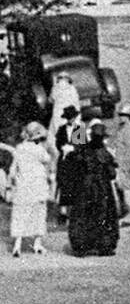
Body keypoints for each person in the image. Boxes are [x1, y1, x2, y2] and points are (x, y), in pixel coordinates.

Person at [66, 121, 120, 257]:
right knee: (104, 215)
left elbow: (75, 166)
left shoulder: (84, 151)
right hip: (102, 188)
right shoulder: (105, 153)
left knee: (82, 215)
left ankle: (82, 245)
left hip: (85, 187)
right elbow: (112, 174)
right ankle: (104, 246)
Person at [8, 122, 53, 257]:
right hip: (37, 186)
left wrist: (11, 184)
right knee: (39, 214)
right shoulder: (39, 149)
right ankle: (37, 244)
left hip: (23, 186)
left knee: (20, 214)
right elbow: (47, 159)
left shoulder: (19, 148)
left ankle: (17, 245)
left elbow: (13, 167)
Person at [53, 104, 80, 223]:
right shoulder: (61, 129)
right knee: (63, 186)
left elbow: (82, 146)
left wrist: (73, 148)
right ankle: (63, 212)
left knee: (75, 186)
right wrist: (63, 148)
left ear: (75, 117)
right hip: (64, 161)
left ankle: (74, 211)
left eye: (72, 117)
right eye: (68, 118)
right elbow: (58, 143)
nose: (70, 120)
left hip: (75, 162)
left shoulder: (79, 129)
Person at [48, 71, 80, 143]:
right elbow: (76, 99)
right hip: (70, 109)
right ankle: (73, 139)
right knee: (73, 124)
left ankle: (60, 140)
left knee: (57, 124)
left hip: (58, 109)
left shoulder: (55, 88)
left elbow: (52, 99)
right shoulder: (72, 88)